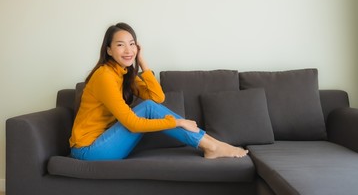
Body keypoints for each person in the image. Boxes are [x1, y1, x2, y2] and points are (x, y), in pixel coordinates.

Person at [69, 22, 249, 161]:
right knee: (146, 108)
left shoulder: (123, 74)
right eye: (120, 45)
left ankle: (214, 145)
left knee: (149, 104)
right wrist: (177, 122)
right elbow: (133, 124)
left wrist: (141, 61)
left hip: (106, 142)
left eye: (132, 44)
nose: (128, 50)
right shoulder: (104, 76)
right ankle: (212, 146)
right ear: (108, 50)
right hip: (88, 150)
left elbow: (158, 97)